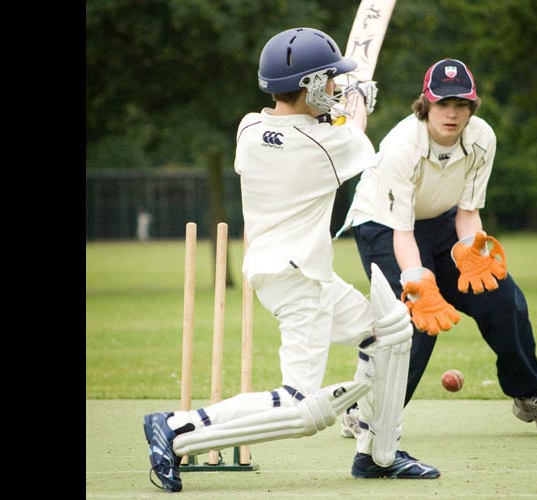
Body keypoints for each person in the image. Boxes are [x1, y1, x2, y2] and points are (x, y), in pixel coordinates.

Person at [142, 27, 440, 493]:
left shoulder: (249, 128)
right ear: (313, 85)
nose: (338, 88)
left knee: (389, 334)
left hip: (288, 272)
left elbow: (314, 125)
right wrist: (356, 101)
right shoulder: (322, 145)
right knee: (300, 404)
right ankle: (177, 427)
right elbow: (354, 136)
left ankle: (378, 453)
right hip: (299, 277)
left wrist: (338, 102)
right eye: (331, 81)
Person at [336, 58, 537, 439]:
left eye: (461, 105)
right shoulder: (402, 145)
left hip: (443, 221)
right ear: (426, 104)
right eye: (443, 104)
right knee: (415, 322)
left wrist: (471, 252)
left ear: (471, 107)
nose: (452, 113)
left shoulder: (482, 139)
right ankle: (369, 410)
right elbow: (402, 231)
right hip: (382, 224)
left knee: (501, 296)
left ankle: (529, 394)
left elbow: (468, 213)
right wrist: (418, 280)